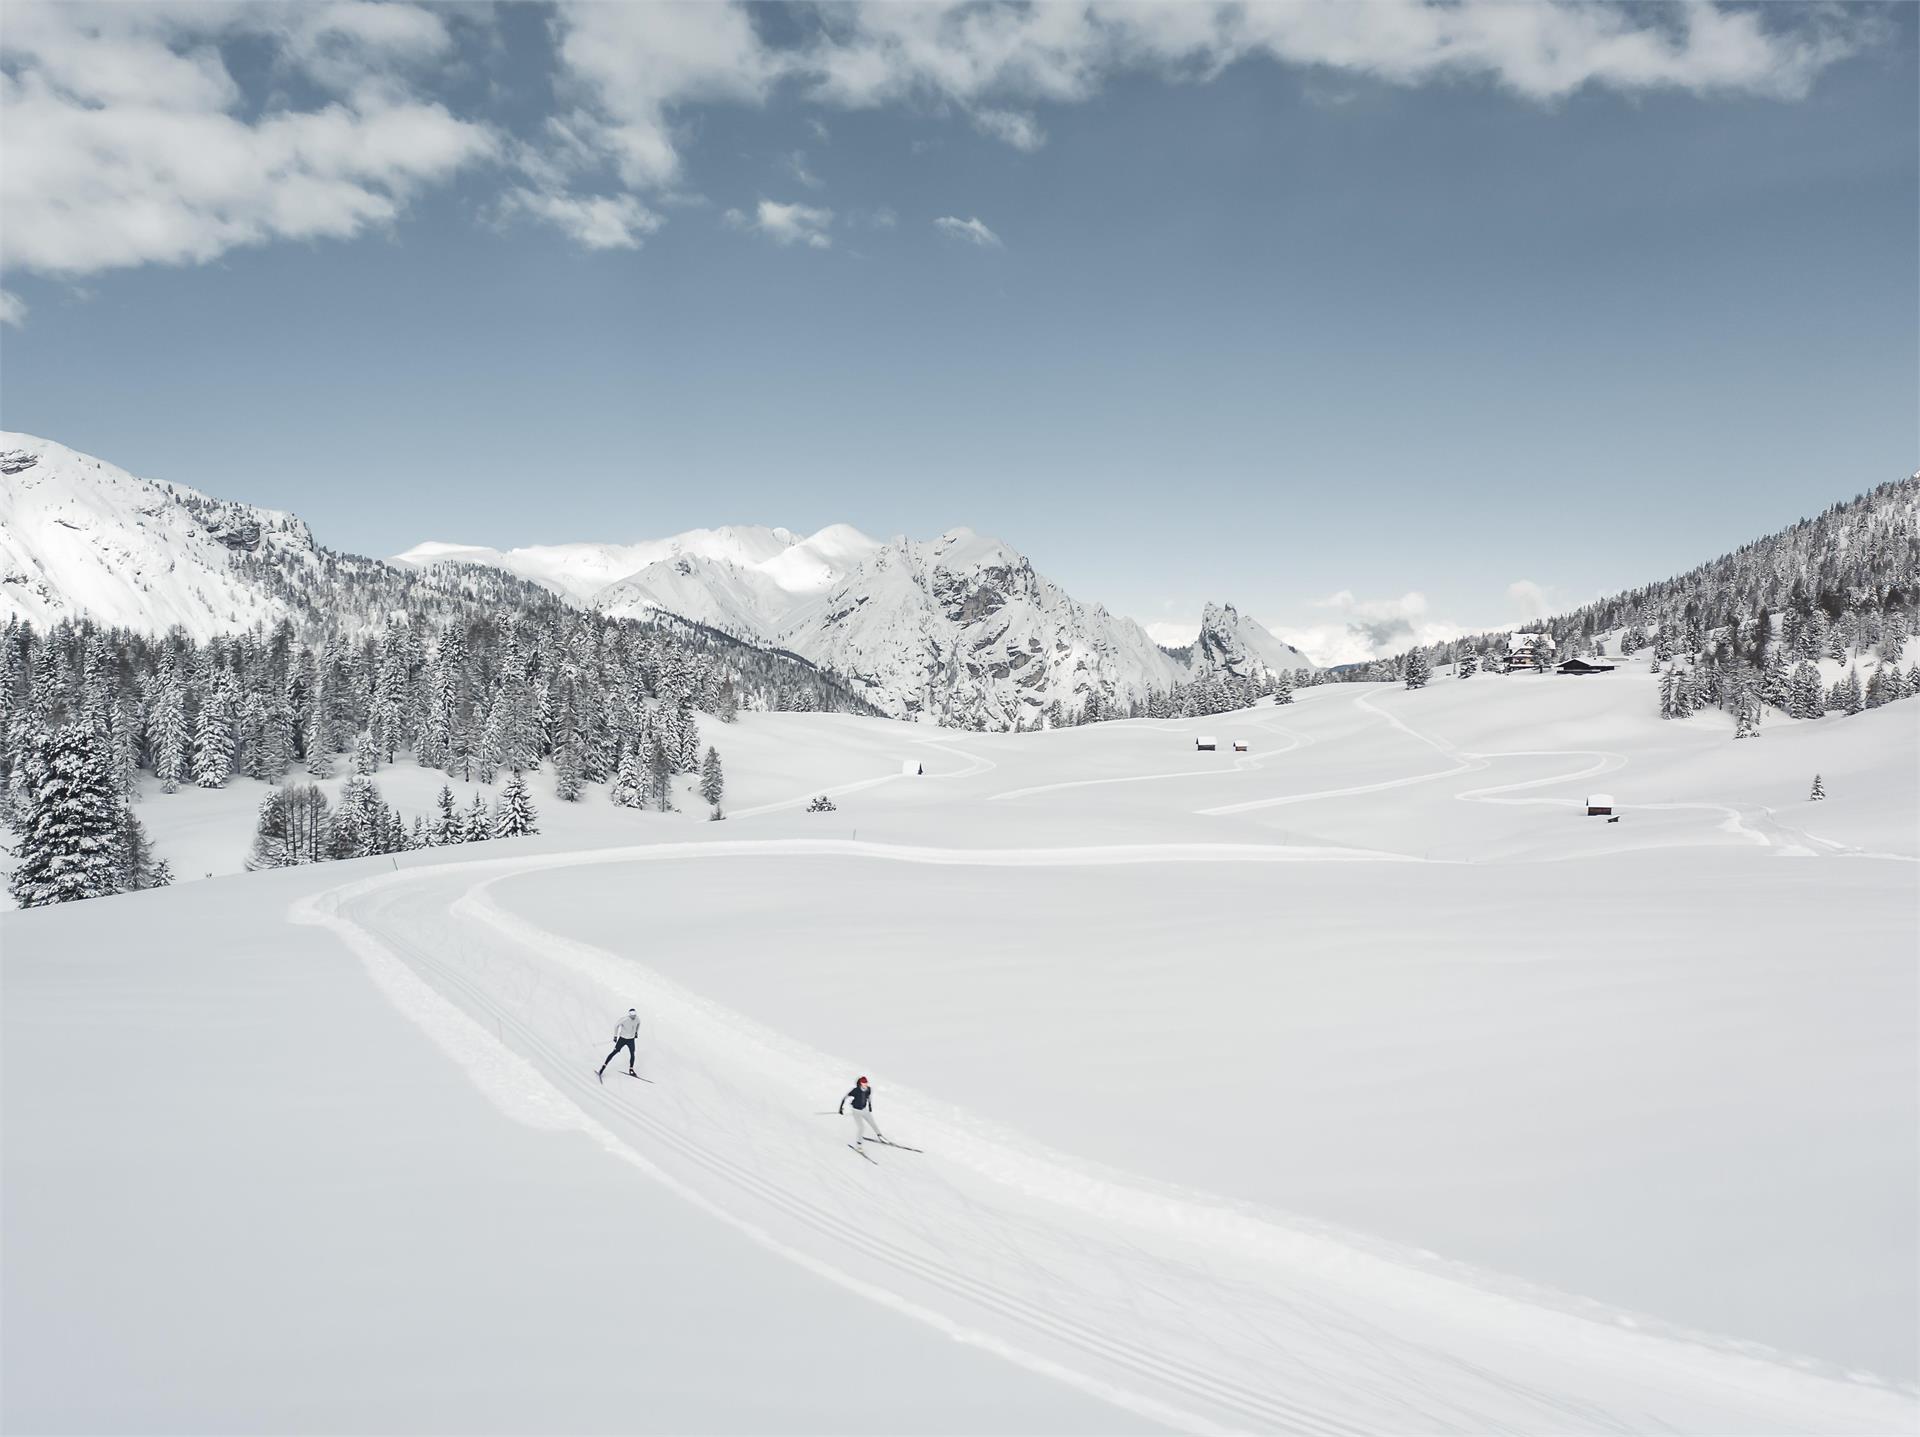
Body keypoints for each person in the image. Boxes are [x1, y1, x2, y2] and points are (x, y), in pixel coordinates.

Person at [840, 1075, 882, 1145]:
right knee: (861, 1128)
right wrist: (841, 1108)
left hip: (864, 1110)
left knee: (873, 1123)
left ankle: (880, 1136)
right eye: (863, 1083)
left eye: (866, 1082)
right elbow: (845, 1097)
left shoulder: (869, 1089)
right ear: (860, 1083)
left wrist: (870, 1105)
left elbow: (868, 1097)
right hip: (856, 1111)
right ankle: (859, 1144)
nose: (865, 1084)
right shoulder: (856, 1090)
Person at [599, 1008, 641, 1079]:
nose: (633, 1017)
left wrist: (636, 1032)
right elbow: (616, 1025)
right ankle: (603, 1067)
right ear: (629, 1015)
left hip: (631, 1039)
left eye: (634, 1015)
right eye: (632, 1016)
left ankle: (631, 1069)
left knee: (632, 1053)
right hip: (622, 1039)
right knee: (615, 1052)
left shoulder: (637, 1019)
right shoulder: (624, 1019)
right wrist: (615, 1036)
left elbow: (638, 1024)